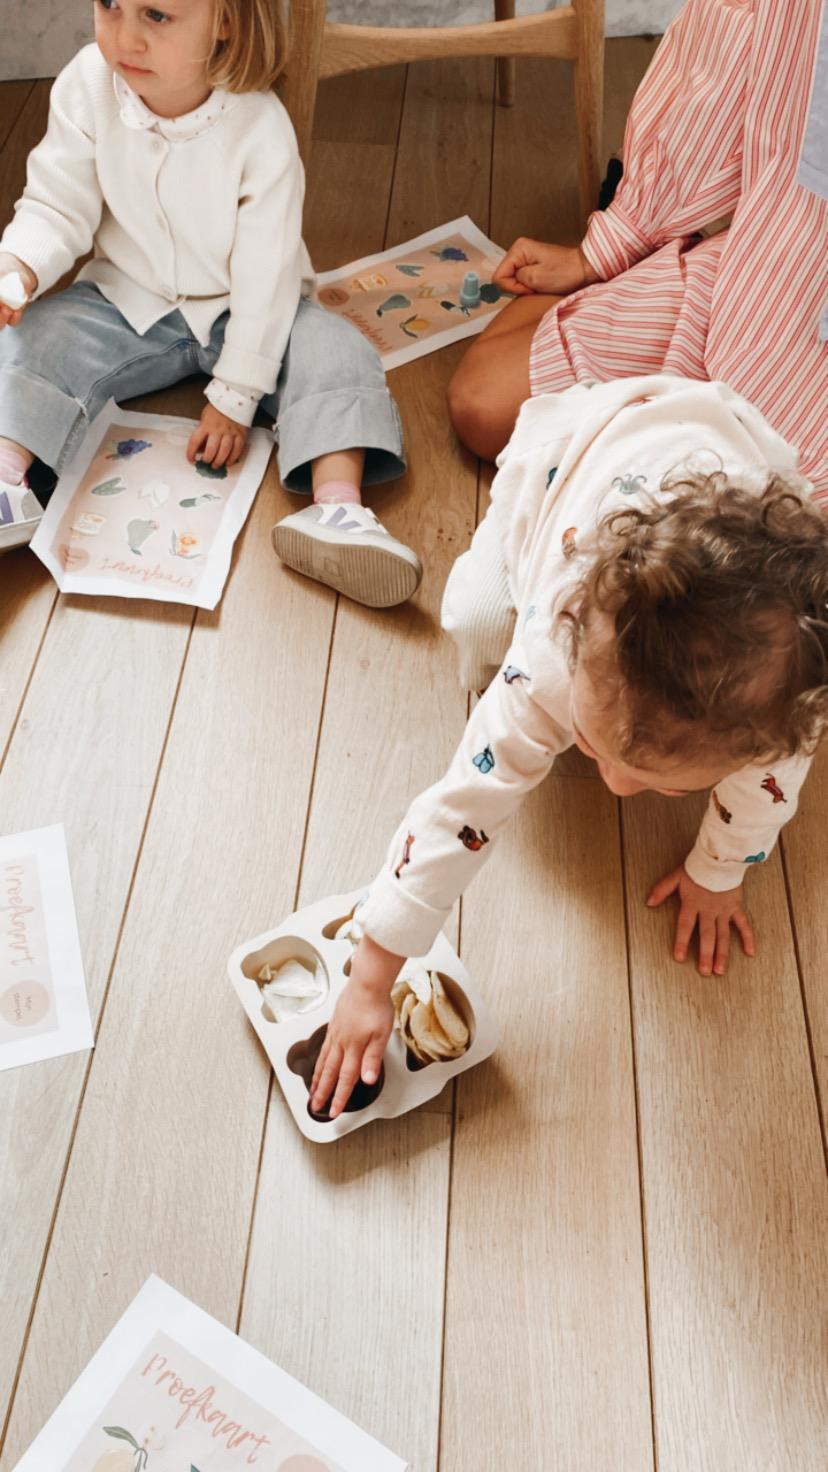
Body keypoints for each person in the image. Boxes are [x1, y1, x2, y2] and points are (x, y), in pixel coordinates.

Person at [309, 374, 828, 1116]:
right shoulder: (552, 654)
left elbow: (765, 800)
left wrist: (719, 872)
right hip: (574, 452)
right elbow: (462, 809)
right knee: (477, 620)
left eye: (664, 784)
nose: (613, 786)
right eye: (589, 740)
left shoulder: (784, 722)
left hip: (735, 462)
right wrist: (370, 976)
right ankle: (503, 579)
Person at [0, 0, 422, 607]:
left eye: (157, 16)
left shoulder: (259, 127)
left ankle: (337, 511)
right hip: (127, 296)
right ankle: (11, 478)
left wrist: (234, 397)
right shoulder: (86, 84)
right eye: (109, 5)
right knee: (29, 340)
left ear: (225, 20)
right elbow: (56, 204)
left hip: (250, 307)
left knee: (337, 350)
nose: (126, 37)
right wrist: (18, 266)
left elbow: (266, 274)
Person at [447, 0, 827, 502]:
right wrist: (606, 250)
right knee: (488, 403)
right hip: (786, 269)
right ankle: (649, 265)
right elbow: (730, 47)